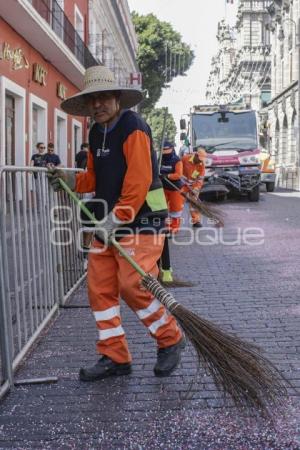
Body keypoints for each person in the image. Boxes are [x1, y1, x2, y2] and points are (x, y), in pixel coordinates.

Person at [48, 65, 184, 381]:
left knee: (133, 286)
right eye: (92, 99)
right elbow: (95, 177)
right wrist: (70, 177)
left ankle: (170, 338)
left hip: (142, 221)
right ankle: (115, 357)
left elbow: (138, 180)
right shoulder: (96, 133)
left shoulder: (133, 127)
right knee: (100, 290)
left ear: (116, 98)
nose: (97, 104)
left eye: (103, 97)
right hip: (107, 222)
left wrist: (117, 219)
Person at [160, 140, 184, 234]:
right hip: (163, 188)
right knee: (164, 209)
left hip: (175, 188)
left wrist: (167, 176)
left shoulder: (177, 160)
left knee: (175, 210)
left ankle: (174, 228)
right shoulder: (160, 159)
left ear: (171, 149)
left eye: (166, 150)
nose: (165, 153)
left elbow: (178, 175)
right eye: (163, 150)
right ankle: (166, 227)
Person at [181, 146, 207, 228]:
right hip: (182, 185)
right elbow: (178, 170)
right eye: (199, 159)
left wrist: (196, 188)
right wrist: (181, 182)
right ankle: (173, 224)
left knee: (194, 204)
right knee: (178, 204)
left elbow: (200, 179)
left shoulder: (201, 164)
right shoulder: (185, 159)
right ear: (195, 155)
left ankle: (196, 221)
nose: (200, 161)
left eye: (201, 160)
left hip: (193, 186)